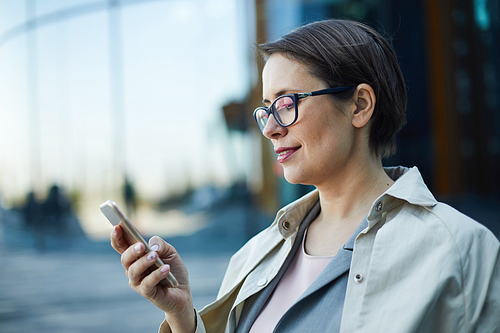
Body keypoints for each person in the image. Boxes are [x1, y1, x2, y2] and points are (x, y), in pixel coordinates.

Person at [110, 19, 500, 333]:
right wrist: (183, 318)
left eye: (286, 103)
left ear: (360, 106)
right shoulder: (255, 255)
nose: (270, 129)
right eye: (266, 110)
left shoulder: (460, 251)